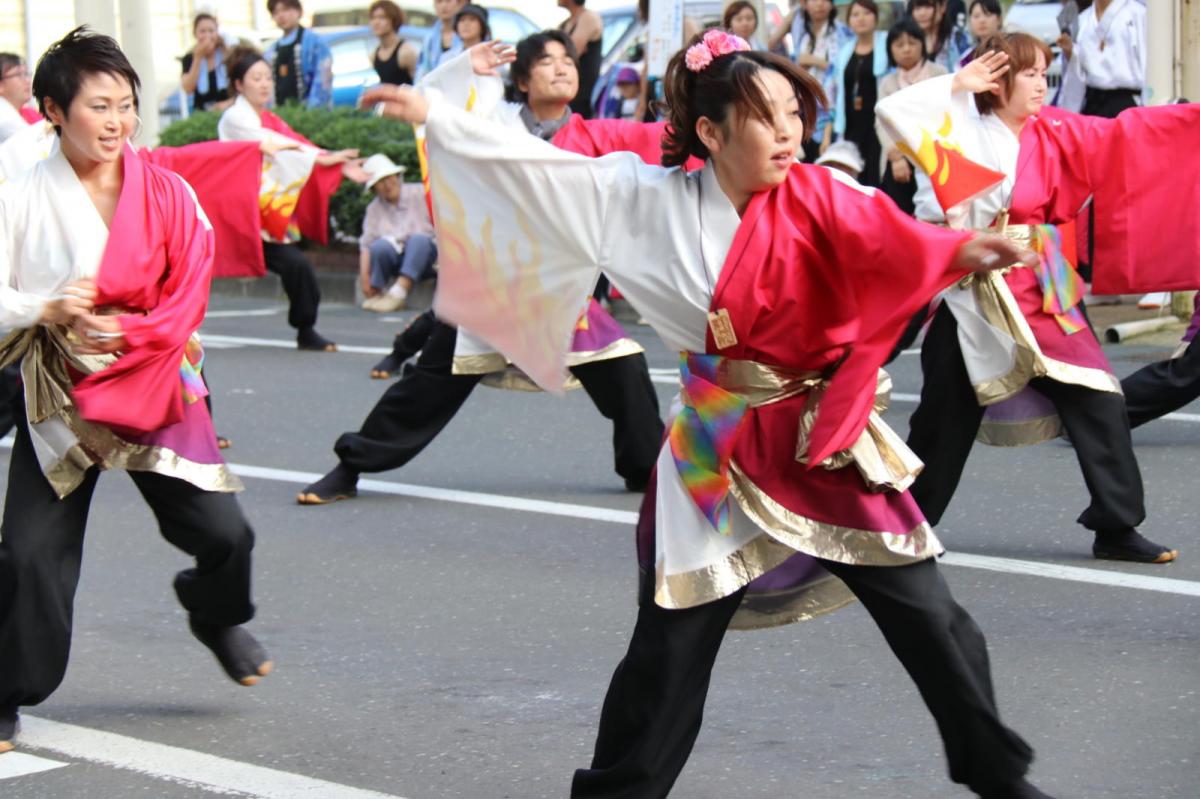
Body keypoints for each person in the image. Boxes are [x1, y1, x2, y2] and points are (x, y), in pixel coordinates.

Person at [368, 30, 1052, 799]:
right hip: (716, 432)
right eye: (767, 116)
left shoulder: (823, 192)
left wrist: (958, 252)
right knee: (670, 643)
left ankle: (999, 777)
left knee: (930, 612)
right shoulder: (637, 200)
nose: (790, 131)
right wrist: (437, 111)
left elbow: (892, 242)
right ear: (711, 132)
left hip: (816, 430)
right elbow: (532, 170)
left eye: (795, 111)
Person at [0, 28, 272, 756]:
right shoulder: (20, 195)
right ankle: (6, 692)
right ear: (54, 110)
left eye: (126, 104)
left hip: (157, 383)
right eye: (99, 105)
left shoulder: (167, 189)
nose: (118, 121)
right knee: (27, 556)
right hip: (62, 394)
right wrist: (44, 307)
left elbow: (194, 275)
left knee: (226, 535)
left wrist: (151, 331)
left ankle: (214, 613)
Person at [299, 32, 664, 504]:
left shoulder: (599, 134)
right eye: (547, 61)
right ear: (521, 78)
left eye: (568, 60)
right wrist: (464, 66)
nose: (562, 68)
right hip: (496, 289)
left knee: (626, 368)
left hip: (564, 294)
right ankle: (351, 467)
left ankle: (644, 469)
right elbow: (440, 112)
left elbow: (662, 150)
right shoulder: (495, 120)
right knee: (427, 386)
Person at [877, 33, 1195, 564]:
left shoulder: (1055, 131)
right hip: (975, 290)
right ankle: (909, 523)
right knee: (944, 417)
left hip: (1043, 280)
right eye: (1029, 74)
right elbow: (893, 112)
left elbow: (1127, 135)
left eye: (1045, 73)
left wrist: (1188, 122)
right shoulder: (957, 127)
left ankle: (1116, 525)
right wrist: (956, 84)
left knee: (1100, 398)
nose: (1041, 84)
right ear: (996, 79)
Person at [219, 46, 367, 351]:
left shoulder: (267, 118)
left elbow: (296, 143)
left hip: (266, 209)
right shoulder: (236, 117)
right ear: (238, 85)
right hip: (243, 212)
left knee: (296, 267)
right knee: (295, 265)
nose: (264, 84)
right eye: (255, 78)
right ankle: (305, 329)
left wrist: (333, 162)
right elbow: (279, 146)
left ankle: (306, 329)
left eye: (267, 78)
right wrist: (325, 159)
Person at [876, 16, 947, 215]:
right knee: (898, 216)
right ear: (890, 49)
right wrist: (896, 157)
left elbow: (947, 113)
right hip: (898, 157)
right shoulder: (887, 83)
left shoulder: (939, 74)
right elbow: (881, 123)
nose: (906, 49)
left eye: (912, 43)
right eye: (899, 44)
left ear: (922, 45)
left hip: (935, 157)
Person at [769, 0, 849, 161]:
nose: (819, 4)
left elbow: (843, 68)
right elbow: (772, 45)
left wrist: (814, 61)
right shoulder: (800, 30)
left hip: (830, 106)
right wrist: (790, 17)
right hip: (803, 104)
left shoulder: (842, 33)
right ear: (805, 4)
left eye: (825, 0)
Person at [358, 153, 436, 313]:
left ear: (397, 176)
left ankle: (399, 292)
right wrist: (365, 280)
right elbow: (366, 245)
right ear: (374, 188)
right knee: (379, 247)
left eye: (389, 178)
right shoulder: (374, 209)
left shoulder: (420, 193)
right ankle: (378, 293)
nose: (387, 185)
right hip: (396, 260)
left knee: (418, 240)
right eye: (380, 182)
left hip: (427, 257)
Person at [831, 0, 887, 186]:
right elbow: (836, 89)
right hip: (851, 125)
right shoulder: (845, 50)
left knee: (876, 177)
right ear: (849, 21)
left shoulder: (886, 43)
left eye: (866, 13)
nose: (861, 19)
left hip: (877, 124)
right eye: (855, 15)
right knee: (852, 180)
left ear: (876, 17)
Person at [1058, 0, 1144, 119]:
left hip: (1128, 103)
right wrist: (1071, 53)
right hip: (1092, 104)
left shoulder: (1138, 14)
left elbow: (1148, 65)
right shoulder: (1083, 19)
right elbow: (1077, 72)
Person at [263, 0, 333, 108]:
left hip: (308, 116)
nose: (281, 15)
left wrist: (311, 114)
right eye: (276, 12)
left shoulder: (315, 43)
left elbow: (323, 82)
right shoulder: (271, 51)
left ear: (299, 11)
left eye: (285, 9)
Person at [559, 0, 604, 119]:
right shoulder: (566, 23)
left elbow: (571, 52)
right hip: (568, 92)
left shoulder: (588, 18)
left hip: (583, 94)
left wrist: (563, 50)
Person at [180, 13, 232, 112]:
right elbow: (188, 88)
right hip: (202, 114)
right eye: (202, 31)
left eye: (211, 31)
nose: (207, 35)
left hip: (228, 110)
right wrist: (198, 58)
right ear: (195, 34)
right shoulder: (189, 58)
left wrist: (227, 104)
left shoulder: (228, 55)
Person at [908, 0, 971, 72]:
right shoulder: (906, 41)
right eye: (917, 8)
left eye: (928, 6)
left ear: (943, 6)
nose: (922, 13)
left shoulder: (959, 38)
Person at [369, 0, 418, 86]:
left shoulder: (406, 52)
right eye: (373, 18)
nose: (376, 22)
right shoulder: (374, 55)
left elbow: (420, 83)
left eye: (382, 17)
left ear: (393, 20)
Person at [417, 0, 466, 80]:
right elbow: (422, 72)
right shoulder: (429, 39)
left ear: (459, 4)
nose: (444, 6)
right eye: (439, 1)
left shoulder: (468, 35)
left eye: (448, 1)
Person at [0, 53, 36, 142]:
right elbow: (39, 147)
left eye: (26, 74)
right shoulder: (5, 118)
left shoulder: (25, 112)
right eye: (18, 75)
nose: (27, 80)